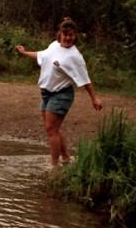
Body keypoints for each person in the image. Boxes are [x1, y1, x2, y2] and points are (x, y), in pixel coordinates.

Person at [16, 17, 103, 166]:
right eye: (65, 34)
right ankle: (66, 158)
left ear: (75, 36)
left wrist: (94, 98)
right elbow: (41, 55)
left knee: (51, 129)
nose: (68, 38)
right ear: (60, 34)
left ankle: (54, 166)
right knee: (53, 129)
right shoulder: (54, 45)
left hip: (62, 95)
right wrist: (24, 52)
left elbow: (85, 79)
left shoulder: (75, 57)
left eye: (71, 35)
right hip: (46, 93)